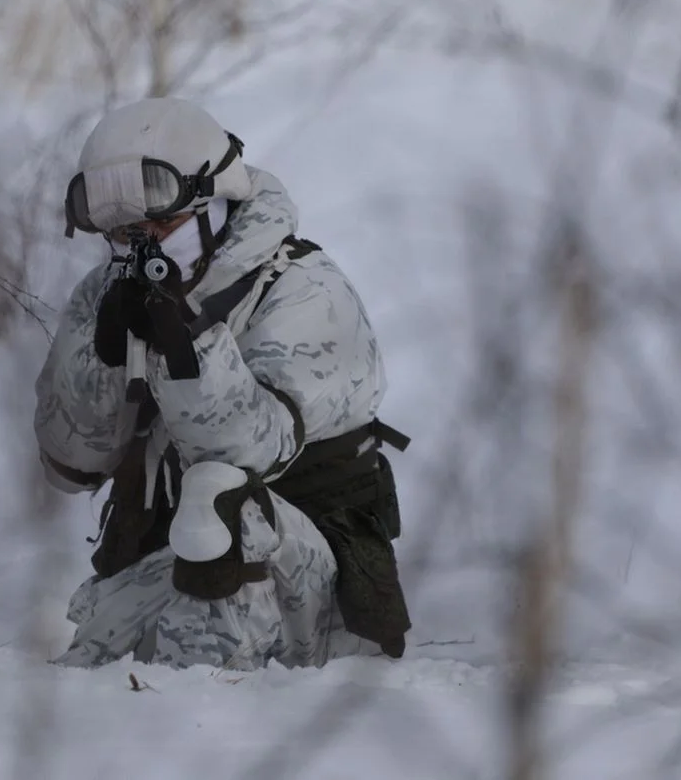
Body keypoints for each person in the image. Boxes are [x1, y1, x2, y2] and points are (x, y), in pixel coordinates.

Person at [33, 96, 411, 670]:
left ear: (218, 203)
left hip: (317, 600)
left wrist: (186, 349)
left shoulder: (303, 287)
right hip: (173, 581)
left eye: (162, 223)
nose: (143, 245)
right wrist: (105, 363)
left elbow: (248, 451)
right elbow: (69, 465)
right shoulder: (103, 292)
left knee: (220, 496)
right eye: (124, 231)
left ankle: (207, 712)